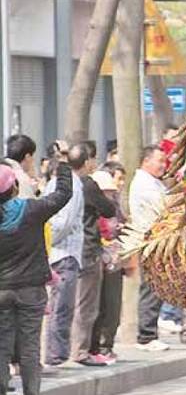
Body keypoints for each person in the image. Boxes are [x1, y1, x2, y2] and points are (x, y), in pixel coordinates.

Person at [0, 156, 72, 395]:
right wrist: (63, 165)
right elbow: (63, 194)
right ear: (14, 187)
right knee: (30, 348)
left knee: (1, 346)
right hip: (31, 291)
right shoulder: (32, 210)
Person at [69, 148, 117, 366]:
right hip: (87, 249)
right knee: (87, 304)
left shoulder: (60, 182)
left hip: (66, 250)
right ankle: (80, 351)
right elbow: (108, 210)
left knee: (68, 303)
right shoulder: (87, 184)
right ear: (87, 162)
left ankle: (63, 350)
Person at [44, 145, 87, 366]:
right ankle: (56, 354)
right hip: (64, 253)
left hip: (59, 252)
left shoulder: (56, 182)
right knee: (61, 306)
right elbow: (64, 222)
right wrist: (49, 242)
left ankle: (57, 352)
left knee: (60, 305)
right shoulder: (72, 184)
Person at [129, 146, 169, 351]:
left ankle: (150, 333)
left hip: (159, 240)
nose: (164, 165)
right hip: (150, 241)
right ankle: (146, 336)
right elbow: (165, 208)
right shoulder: (143, 184)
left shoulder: (154, 182)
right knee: (152, 288)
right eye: (159, 161)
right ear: (146, 161)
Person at [89, 164, 126, 360]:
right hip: (97, 261)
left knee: (113, 306)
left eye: (111, 192)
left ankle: (107, 345)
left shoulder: (115, 208)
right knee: (98, 307)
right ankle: (96, 347)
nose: (110, 195)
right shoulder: (91, 210)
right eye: (105, 192)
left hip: (115, 261)